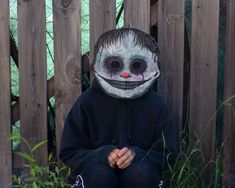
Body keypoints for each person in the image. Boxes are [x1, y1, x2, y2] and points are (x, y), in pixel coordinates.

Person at [59, 28, 177, 188]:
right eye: (114, 64)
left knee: (141, 174)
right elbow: (69, 151)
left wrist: (137, 155)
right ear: (97, 64)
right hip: (94, 176)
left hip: (141, 176)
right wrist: (102, 155)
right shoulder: (87, 103)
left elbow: (168, 153)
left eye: (137, 65)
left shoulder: (156, 105)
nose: (126, 74)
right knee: (99, 176)